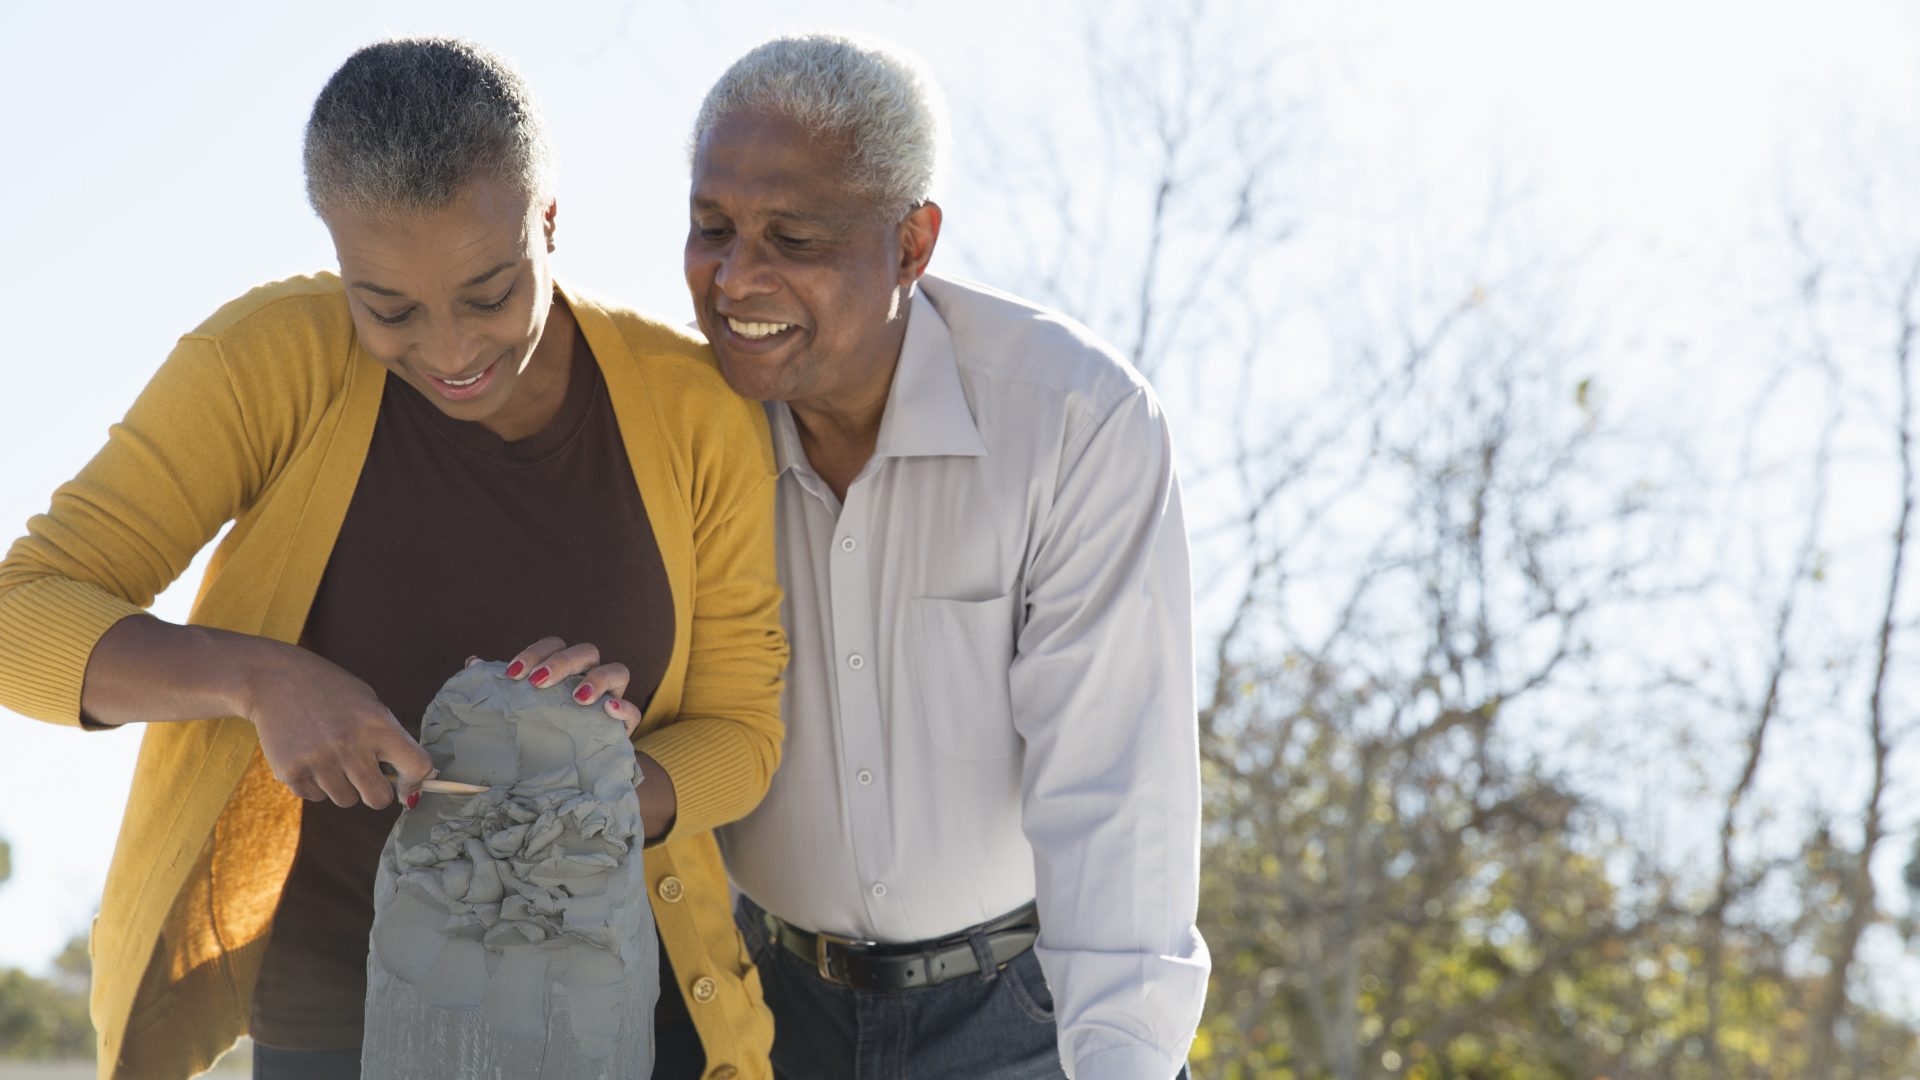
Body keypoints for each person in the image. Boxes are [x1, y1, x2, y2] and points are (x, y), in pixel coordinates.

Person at [0, 38, 786, 1080]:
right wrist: (260, 679)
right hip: (340, 1021)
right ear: (340, 264)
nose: (452, 352)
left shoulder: (694, 410)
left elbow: (743, 730)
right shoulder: (269, 361)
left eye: (490, 293)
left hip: (627, 1014)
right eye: (390, 309)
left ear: (548, 222)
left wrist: (594, 790)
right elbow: (20, 612)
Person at [689, 32, 1209, 1080]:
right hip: (761, 1008)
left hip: (1023, 1019)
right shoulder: (677, 424)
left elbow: (1115, 801)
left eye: (793, 237)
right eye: (712, 228)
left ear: (911, 244)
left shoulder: (1073, 422)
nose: (737, 278)